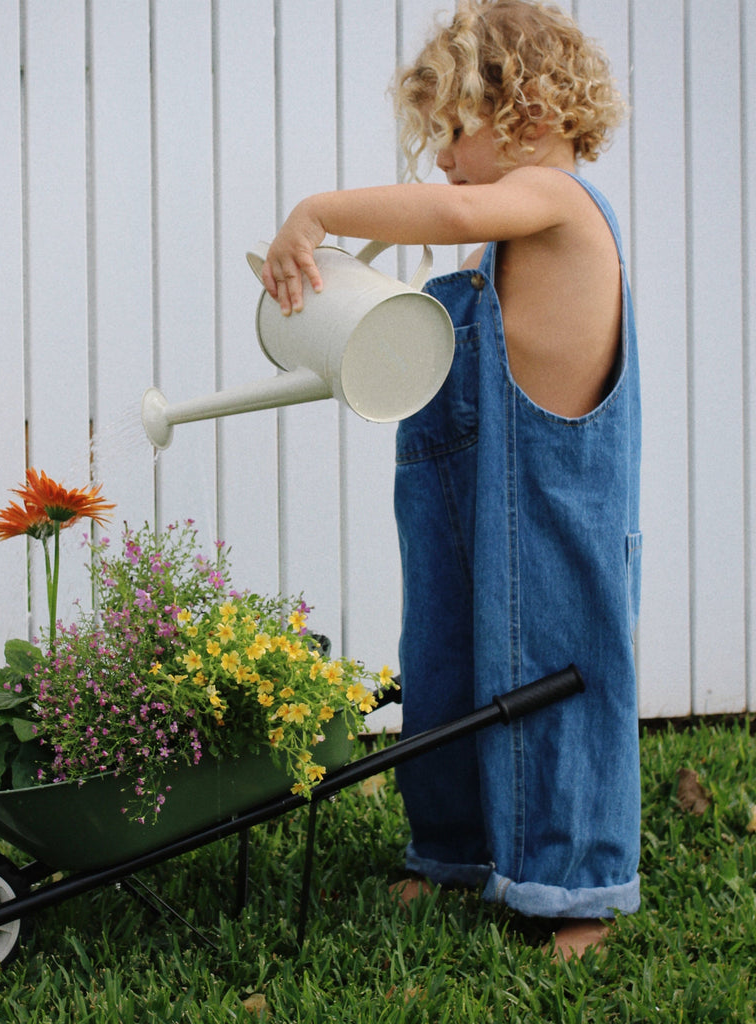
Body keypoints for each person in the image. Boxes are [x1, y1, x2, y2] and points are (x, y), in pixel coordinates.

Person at [261, 0, 640, 959]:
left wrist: (319, 211)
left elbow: (462, 206)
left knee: (558, 681)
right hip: (462, 505)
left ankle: (576, 883)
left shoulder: (559, 203)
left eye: (454, 133)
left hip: (558, 510)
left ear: (533, 113)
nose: (442, 162)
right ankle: (455, 852)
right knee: (446, 670)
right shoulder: (489, 255)